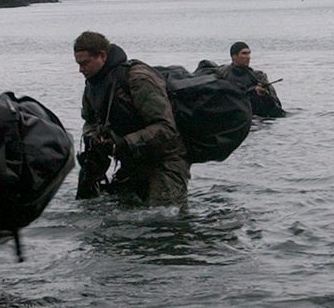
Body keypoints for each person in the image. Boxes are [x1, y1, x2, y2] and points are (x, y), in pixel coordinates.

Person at [74, 30, 189, 204]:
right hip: (131, 162)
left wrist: (123, 143)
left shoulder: (137, 78)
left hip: (165, 161)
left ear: (102, 56)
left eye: (85, 63)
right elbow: (89, 121)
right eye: (78, 64)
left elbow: (166, 127)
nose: (81, 69)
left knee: (162, 216)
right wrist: (95, 139)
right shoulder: (93, 85)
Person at [217, 41, 285, 117]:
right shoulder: (222, 72)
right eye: (244, 53)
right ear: (234, 56)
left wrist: (264, 95)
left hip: (253, 115)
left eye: (249, 53)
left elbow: (277, 105)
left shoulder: (259, 77)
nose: (248, 56)